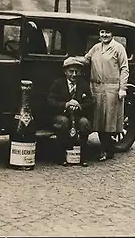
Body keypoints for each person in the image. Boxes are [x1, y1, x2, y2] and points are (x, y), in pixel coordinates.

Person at [80, 22, 130, 161]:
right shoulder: (96, 47)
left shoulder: (118, 48)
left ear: (112, 34)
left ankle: (108, 151)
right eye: (102, 32)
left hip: (111, 88)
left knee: (109, 121)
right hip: (95, 88)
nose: (104, 35)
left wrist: (122, 88)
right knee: (97, 119)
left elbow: (124, 69)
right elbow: (85, 60)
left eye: (107, 32)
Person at [47, 57, 94, 167]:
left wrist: (79, 105)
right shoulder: (58, 83)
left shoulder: (83, 85)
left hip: (78, 115)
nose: (74, 75)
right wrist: (66, 104)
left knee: (84, 123)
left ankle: (82, 157)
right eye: (71, 71)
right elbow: (50, 100)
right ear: (65, 71)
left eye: (76, 72)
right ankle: (61, 156)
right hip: (61, 114)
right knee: (62, 122)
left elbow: (90, 102)